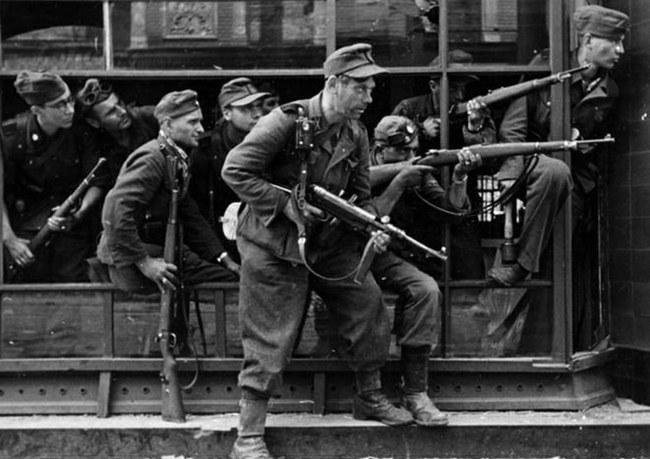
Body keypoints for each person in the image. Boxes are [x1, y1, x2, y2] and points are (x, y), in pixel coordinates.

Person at [222, 43, 412, 459]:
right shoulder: (285, 122)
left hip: (327, 244)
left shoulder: (355, 133)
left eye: (371, 89)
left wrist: (372, 227)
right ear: (335, 83)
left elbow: (361, 197)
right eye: (361, 88)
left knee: (367, 302)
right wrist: (285, 203)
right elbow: (234, 169)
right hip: (273, 245)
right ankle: (248, 436)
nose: (369, 98)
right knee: (269, 335)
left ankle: (369, 396)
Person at [495, 5, 628, 347]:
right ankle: (521, 269)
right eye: (613, 41)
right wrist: (512, 179)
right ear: (588, 40)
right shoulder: (546, 68)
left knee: (562, 265)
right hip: (532, 171)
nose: (620, 50)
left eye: (621, 42)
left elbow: (597, 147)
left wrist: (583, 146)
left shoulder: (609, 90)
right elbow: (513, 129)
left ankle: (549, 345)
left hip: (574, 186)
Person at [370, 115, 481, 425]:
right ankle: (372, 393)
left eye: (413, 151)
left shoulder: (417, 172)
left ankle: (416, 392)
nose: (409, 157)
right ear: (379, 152)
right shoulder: (361, 173)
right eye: (401, 152)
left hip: (397, 257)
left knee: (426, 290)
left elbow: (452, 211)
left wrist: (459, 177)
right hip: (361, 254)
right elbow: (368, 217)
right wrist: (399, 181)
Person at [97, 90, 236, 293]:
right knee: (228, 283)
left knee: (226, 274)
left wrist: (223, 258)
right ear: (168, 125)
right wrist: (145, 262)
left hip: (152, 252)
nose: (200, 129)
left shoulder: (174, 157)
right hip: (132, 261)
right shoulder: (152, 158)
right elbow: (114, 211)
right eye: (192, 122)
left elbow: (190, 216)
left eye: (199, 122)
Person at [392, 49, 495, 279]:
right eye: (454, 87)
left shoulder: (475, 113)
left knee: (468, 276)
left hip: (461, 203)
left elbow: (492, 162)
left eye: (463, 88)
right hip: (417, 206)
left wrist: (474, 128)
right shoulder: (408, 109)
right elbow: (386, 150)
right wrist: (420, 130)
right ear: (433, 86)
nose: (460, 95)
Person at [1, 70, 107, 283]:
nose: (70, 110)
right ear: (37, 110)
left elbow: (97, 181)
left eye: (70, 100)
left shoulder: (79, 130)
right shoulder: (11, 136)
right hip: (24, 228)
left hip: (70, 226)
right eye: (59, 105)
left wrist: (78, 214)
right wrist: (9, 240)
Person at [189, 77, 269, 271]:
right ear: (227, 113)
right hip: (222, 242)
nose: (257, 114)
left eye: (259, 106)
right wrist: (218, 253)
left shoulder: (272, 141)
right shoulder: (206, 151)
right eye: (246, 108)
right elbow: (195, 211)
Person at [75, 78, 158, 186]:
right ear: (94, 122)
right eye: (111, 112)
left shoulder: (146, 117)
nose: (122, 111)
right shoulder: (96, 145)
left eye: (120, 103)